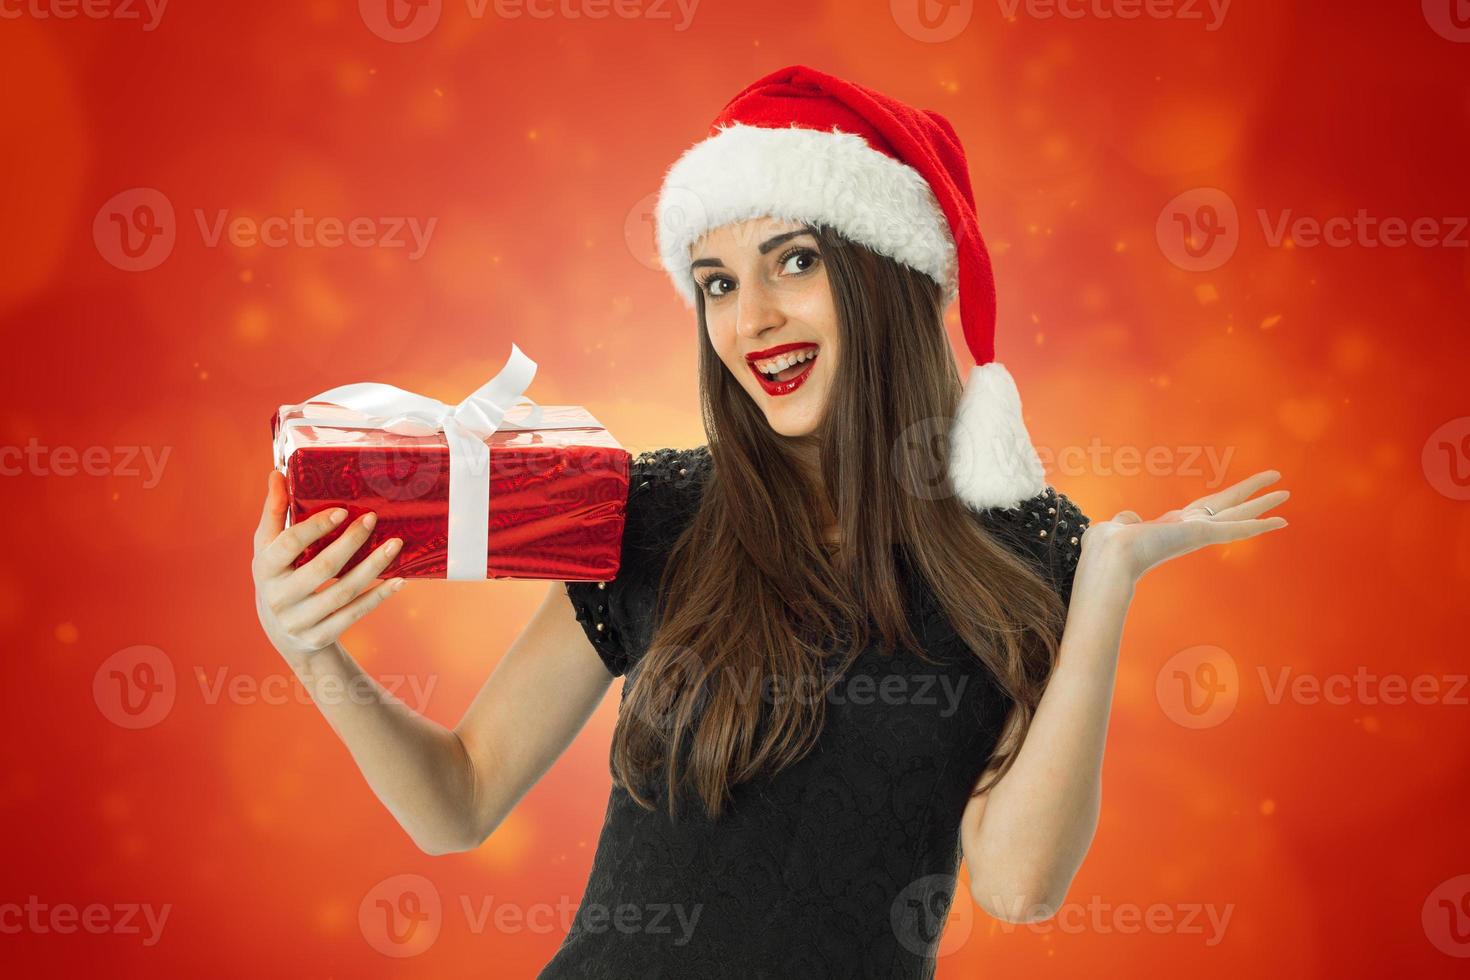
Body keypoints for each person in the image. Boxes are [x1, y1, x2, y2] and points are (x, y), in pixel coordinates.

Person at [250, 65, 1289, 978]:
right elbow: (460, 797)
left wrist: (1105, 581)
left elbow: (1020, 882)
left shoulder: (1024, 546)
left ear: (886, 269)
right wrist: (312, 653)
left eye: (795, 261)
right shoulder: (657, 512)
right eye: (717, 282)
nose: (752, 320)